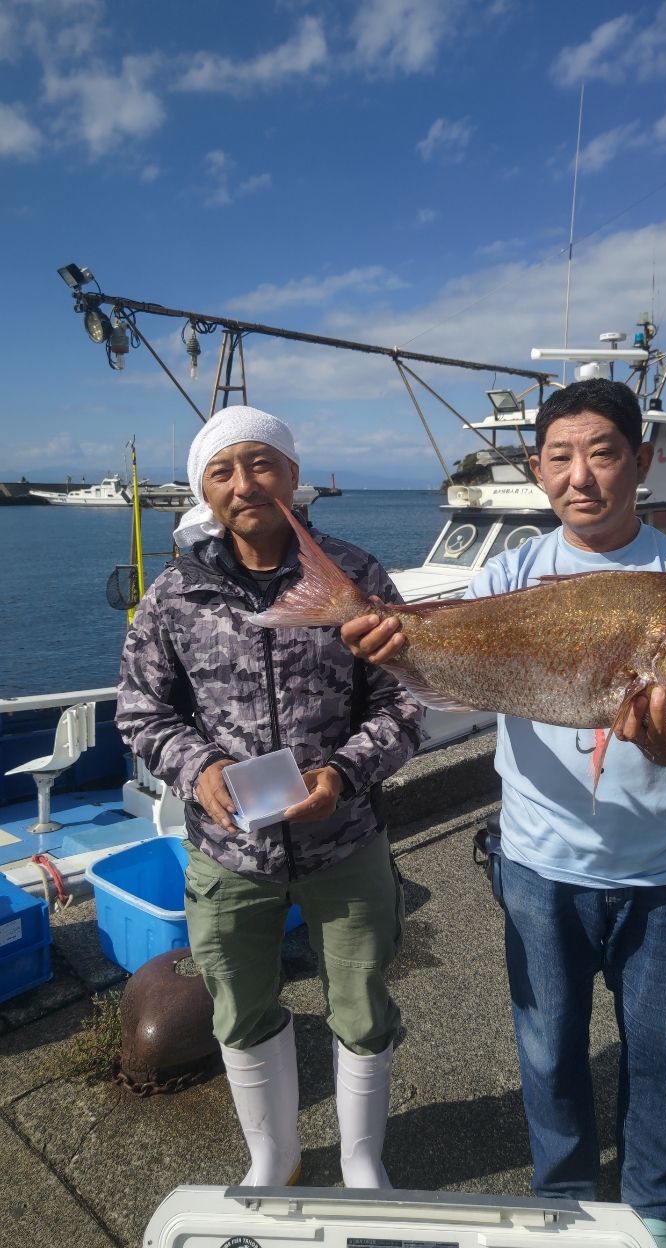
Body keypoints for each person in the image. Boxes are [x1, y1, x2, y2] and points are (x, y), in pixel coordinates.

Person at [341, 379, 666, 1248]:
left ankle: (655, 1210)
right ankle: (563, 1200)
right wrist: (397, 653)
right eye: (559, 457)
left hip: (661, 862)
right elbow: (465, 670)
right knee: (549, 1052)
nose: (580, 476)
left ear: (641, 460)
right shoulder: (513, 569)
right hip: (539, 858)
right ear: (537, 470)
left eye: (601, 452)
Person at [116, 405, 422, 1191]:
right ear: (204, 491)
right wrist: (199, 768)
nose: (244, 483)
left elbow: (405, 700)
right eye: (223, 471)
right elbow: (142, 710)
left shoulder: (355, 578)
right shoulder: (174, 596)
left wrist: (344, 775)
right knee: (239, 1006)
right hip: (226, 853)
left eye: (262, 465)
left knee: (360, 1002)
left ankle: (361, 1159)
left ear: (293, 478)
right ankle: (273, 1154)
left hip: (344, 840)